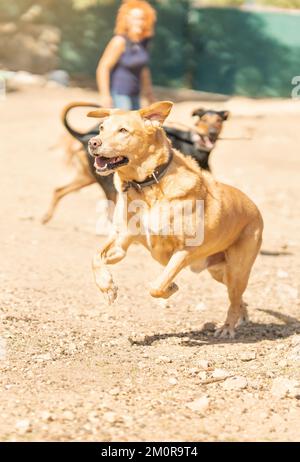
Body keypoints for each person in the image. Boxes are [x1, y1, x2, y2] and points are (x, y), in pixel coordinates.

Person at [96, 0, 156, 110]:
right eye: (135, 19)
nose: (139, 22)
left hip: (135, 94)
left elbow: (143, 69)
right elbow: (103, 67)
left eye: (142, 19)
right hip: (120, 94)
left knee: (137, 125)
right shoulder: (119, 41)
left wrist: (149, 94)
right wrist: (105, 95)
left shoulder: (143, 42)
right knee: (124, 125)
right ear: (126, 20)